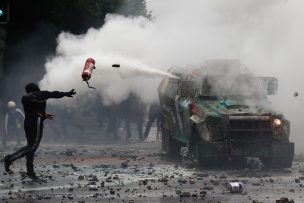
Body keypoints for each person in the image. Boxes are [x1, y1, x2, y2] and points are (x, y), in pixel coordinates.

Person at [4, 83, 76, 179]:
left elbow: (52, 95)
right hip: (36, 123)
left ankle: (30, 172)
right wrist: (66, 93)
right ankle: (10, 158)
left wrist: (44, 114)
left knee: (30, 146)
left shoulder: (31, 97)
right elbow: (51, 95)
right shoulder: (34, 96)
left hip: (28, 123)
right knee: (32, 147)